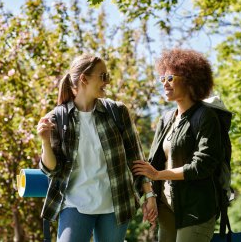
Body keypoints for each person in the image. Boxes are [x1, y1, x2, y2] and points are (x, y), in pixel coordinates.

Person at [36, 54, 157, 242]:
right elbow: (52, 170)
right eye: (103, 76)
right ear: (84, 79)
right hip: (75, 205)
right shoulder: (58, 118)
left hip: (116, 205)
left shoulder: (117, 112)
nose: (107, 82)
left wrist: (149, 194)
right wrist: (45, 141)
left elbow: (137, 159)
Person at [133, 48, 221, 242]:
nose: (164, 83)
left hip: (196, 210)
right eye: (162, 79)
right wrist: (150, 198)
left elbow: (203, 165)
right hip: (167, 210)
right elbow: (152, 163)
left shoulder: (206, 116)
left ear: (191, 79)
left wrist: (158, 175)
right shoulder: (165, 119)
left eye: (170, 78)